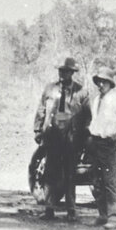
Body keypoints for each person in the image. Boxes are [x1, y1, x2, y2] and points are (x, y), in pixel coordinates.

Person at [33, 57, 90, 221]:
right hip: (52, 137)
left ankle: (71, 211)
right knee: (50, 173)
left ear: (72, 73)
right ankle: (49, 209)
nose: (63, 74)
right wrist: (37, 130)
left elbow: (88, 117)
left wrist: (83, 136)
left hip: (71, 139)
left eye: (66, 71)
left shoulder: (81, 92)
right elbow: (41, 110)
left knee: (70, 175)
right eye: (61, 71)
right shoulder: (50, 89)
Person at [86, 66, 116, 230]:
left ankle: (113, 217)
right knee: (96, 181)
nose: (101, 85)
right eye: (99, 82)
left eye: (104, 82)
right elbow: (95, 121)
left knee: (109, 182)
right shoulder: (96, 100)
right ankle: (102, 215)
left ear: (109, 83)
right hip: (95, 142)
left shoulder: (115, 99)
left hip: (109, 144)